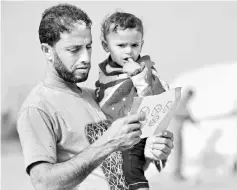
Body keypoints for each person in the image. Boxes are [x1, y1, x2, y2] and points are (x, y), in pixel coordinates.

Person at [16, 4, 174, 190]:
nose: (85, 58)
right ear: (47, 51)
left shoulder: (97, 97)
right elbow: (44, 183)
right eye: (74, 50)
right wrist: (108, 143)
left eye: (88, 47)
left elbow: (112, 173)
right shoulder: (38, 108)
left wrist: (148, 153)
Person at [95, 12, 170, 190]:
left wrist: (138, 77)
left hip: (135, 131)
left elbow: (155, 100)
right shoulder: (105, 74)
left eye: (134, 45)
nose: (129, 51)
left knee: (130, 169)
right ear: (106, 46)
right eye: (121, 45)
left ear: (141, 44)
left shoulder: (144, 70)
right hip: (112, 133)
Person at [169, 88, 197, 181]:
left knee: (180, 151)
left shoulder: (184, 103)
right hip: (174, 131)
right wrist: (187, 117)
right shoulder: (180, 101)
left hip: (178, 131)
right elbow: (178, 113)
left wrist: (191, 119)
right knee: (177, 152)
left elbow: (187, 113)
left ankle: (178, 172)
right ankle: (176, 173)